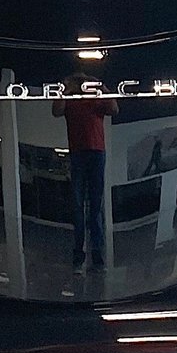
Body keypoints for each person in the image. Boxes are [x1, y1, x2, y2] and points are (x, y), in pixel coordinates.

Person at [51, 92, 117, 269]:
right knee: (78, 206)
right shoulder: (70, 99)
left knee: (96, 206)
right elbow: (56, 111)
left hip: (96, 153)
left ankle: (97, 255)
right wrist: (64, 90)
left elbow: (114, 109)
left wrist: (99, 85)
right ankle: (79, 255)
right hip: (79, 154)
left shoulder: (96, 97)